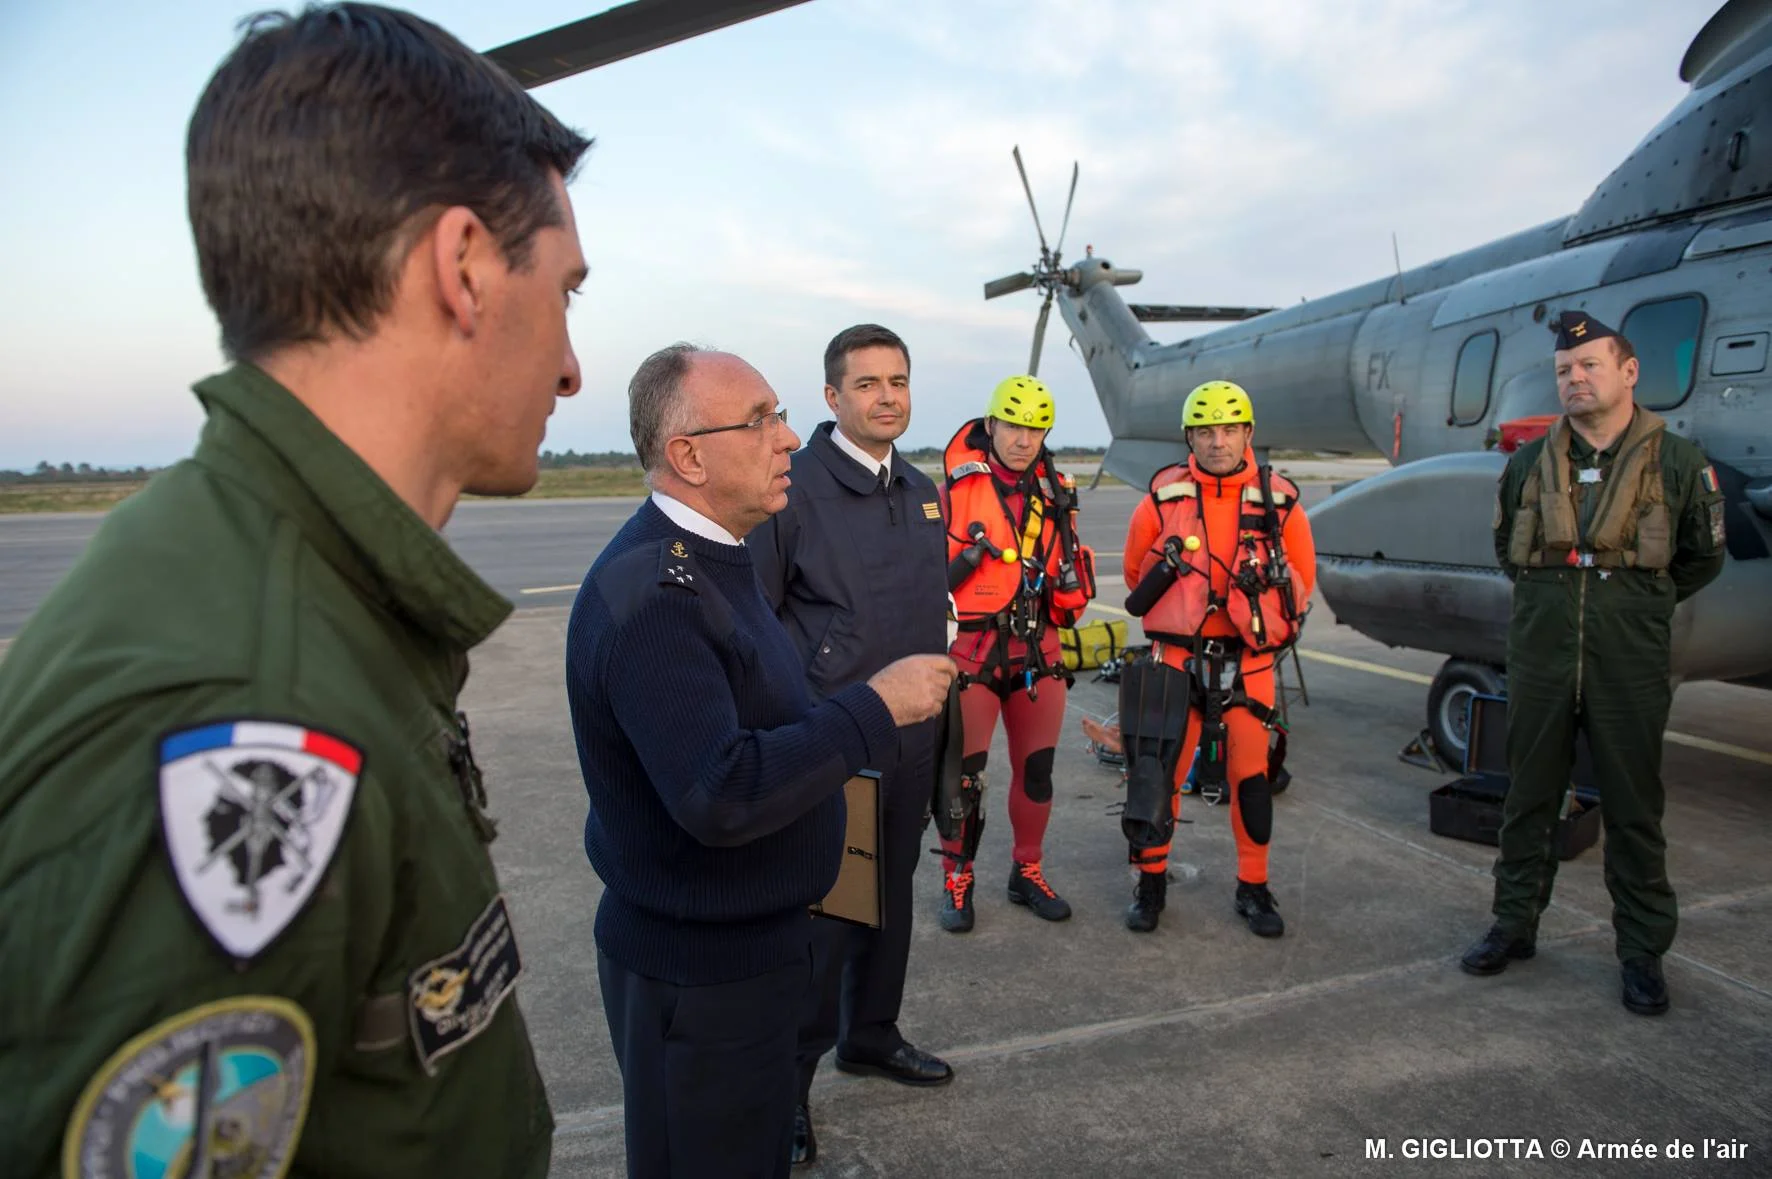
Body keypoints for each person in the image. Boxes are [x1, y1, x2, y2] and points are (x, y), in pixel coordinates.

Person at [0, 6, 589, 1175]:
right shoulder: (240, 704)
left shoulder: (307, 591)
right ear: (464, 265)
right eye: (564, 290)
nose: (572, 362)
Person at [565, 343, 956, 1178]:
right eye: (762, 419)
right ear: (689, 456)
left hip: (752, 955)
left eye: (780, 415)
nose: (786, 439)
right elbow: (722, 790)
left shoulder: (717, 558)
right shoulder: (658, 598)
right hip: (702, 982)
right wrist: (874, 707)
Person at [1461, 310, 1726, 1015]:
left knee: (1635, 810)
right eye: (1563, 371)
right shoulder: (1527, 464)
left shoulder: (1677, 461)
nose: (1575, 379)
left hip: (1628, 661)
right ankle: (1513, 924)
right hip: (1544, 652)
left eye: (1589, 366)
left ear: (1629, 371)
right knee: (1528, 799)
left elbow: (1702, 556)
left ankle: (1641, 952)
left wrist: (1634, 604)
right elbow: (1506, 550)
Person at [749, 325, 954, 1167]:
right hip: (837, 738)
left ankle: (869, 1032)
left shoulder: (921, 487)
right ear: (832, 397)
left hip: (917, 736)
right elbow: (757, 619)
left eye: (898, 381)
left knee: (892, 894)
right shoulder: (792, 488)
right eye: (867, 383)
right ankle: (787, 1088)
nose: (887, 397)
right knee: (830, 913)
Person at [1118, 380, 1317, 936]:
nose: (1218, 442)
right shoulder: (1162, 498)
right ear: (1190, 437)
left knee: (1251, 779)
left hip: (1248, 664)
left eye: (1229, 429)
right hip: (1177, 661)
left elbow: (1302, 581)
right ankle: (1151, 882)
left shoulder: (1282, 500)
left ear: (1247, 433)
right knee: (1158, 776)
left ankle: (1254, 887)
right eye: (1205, 431)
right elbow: (1138, 574)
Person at [937, 376, 1096, 931]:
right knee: (964, 777)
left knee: (1039, 773)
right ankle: (957, 876)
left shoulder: (1057, 495)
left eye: (1034, 428)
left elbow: (1069, 573)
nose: (1023, 439)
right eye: (1012, 425)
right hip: (974, 656)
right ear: (992, 425)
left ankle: (1026, 870)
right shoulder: (955, 492)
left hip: (1039, 653)